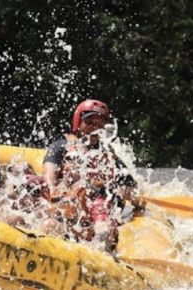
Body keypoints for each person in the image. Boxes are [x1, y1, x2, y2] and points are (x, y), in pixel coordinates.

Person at [43, 99, 141, 250]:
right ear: (78, 123)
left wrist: (126, 194)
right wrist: (51, 188)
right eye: (89, 122)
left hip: (99, 210)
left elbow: (136, 195)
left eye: (99, 124)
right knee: (50, 225)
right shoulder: (61, 146)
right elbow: (49, 174)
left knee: (104, 231)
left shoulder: (109, 157)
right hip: (69, 205)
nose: (94, 128)